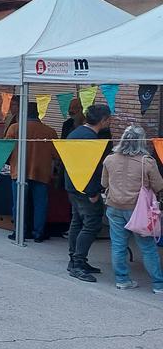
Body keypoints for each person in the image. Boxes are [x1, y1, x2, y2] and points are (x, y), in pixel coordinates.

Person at [102, 126, 163, 293]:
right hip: (139, 210)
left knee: (118, 245)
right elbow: (159, 185)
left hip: (114, 206)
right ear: (141, 141)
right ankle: (158, 284)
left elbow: (104, 184)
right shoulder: (147, 161)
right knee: (148, 247)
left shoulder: (110, 159)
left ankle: (122, 280)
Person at [64, 104, 113, 282]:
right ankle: (78, 263)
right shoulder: (89, 138)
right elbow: (88, 168)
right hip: (84, 188)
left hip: (73, 185)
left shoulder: (75, 133)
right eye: (109, 119)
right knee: (92, 224)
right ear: (103, 120)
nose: (110, 122)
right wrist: (92, 191)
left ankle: (75, 260)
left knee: (77, 222)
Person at [5, 103, 58, 243]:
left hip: (19, 171)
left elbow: (5, 149)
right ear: (38, 114)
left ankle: (19, 231)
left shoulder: (15, 128)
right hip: (41, 171)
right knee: (40, 204)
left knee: (19, 203)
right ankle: (38, 233)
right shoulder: (50, 131)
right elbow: (56, 154)